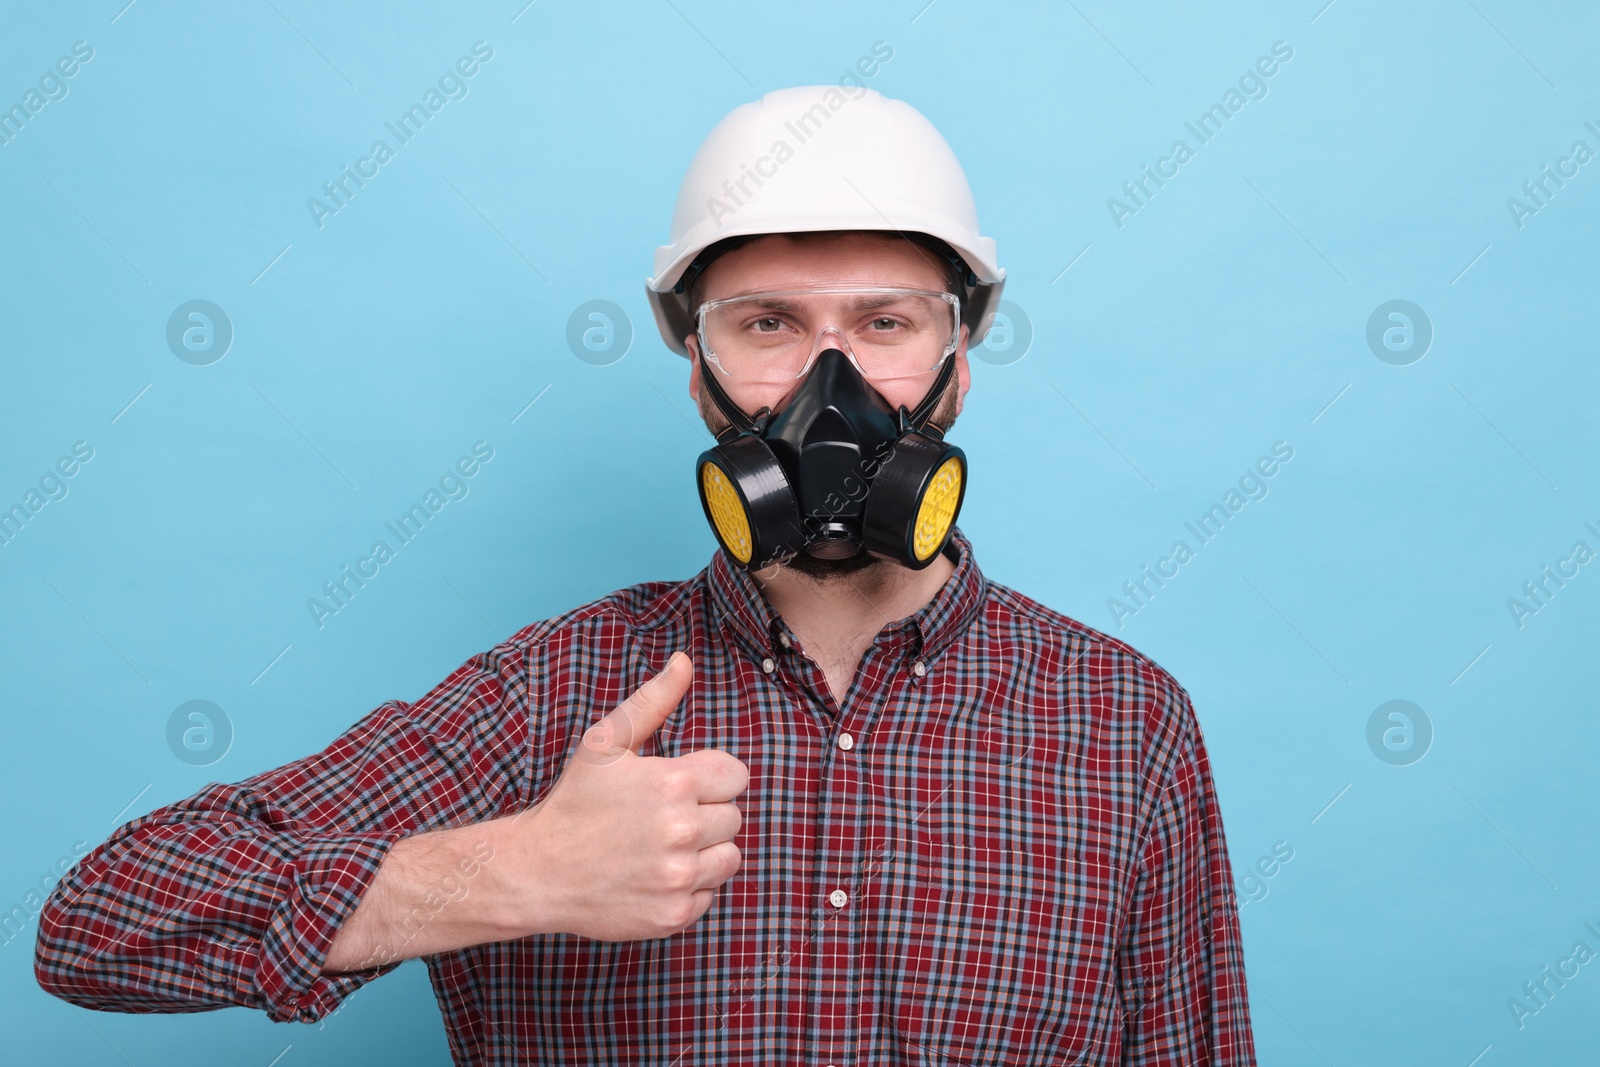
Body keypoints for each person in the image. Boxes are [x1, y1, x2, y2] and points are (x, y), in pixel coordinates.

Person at [35, 86, 1256, 1065]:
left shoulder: (1119, 718)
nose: (826, 383)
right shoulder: (547, 697)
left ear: (959, 363)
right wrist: (501, 871)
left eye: (885, 322)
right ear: (699, 373)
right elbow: (97, 921)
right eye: (764, 323)